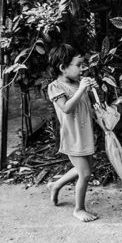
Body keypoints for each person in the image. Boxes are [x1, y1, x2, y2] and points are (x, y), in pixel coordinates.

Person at [46, 44, 99, 222]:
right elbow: (67, 108)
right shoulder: (55, 87)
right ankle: (79, 209)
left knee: (84, 169)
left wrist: (91, 90)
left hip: (85, 134)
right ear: (62, 67)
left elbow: (87, 105)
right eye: (79, 65)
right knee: (85, 174)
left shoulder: (78, 84)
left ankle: (56, 185)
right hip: (72, 137)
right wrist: (82, 89)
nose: (83, 68)